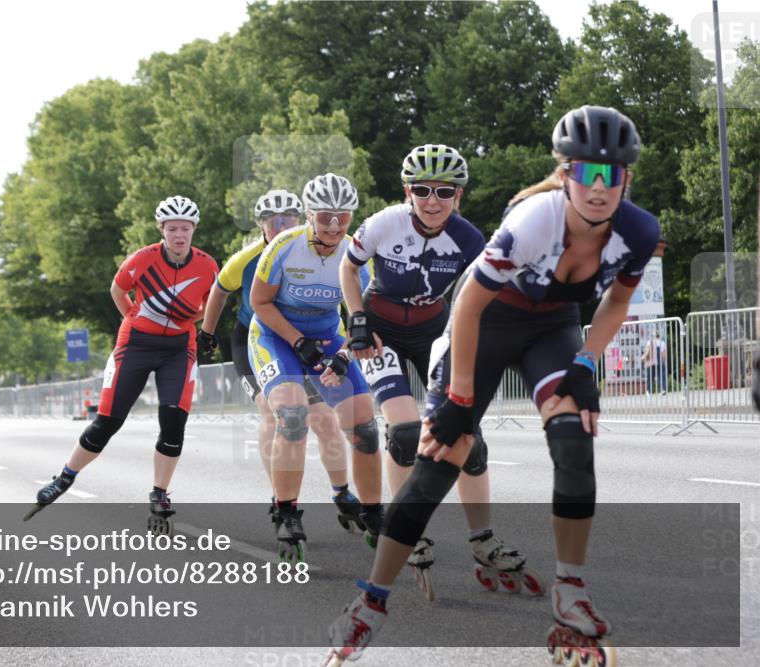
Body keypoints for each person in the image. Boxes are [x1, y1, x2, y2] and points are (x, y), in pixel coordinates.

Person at [324, 106, 658, 664]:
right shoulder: (533, 220)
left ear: (627, 178)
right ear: (564, 174)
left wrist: (587, 363)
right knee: (439, 455)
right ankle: (371, 602)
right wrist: (458, 398)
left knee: (574, 441)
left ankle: (569, 588)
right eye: (585, 174)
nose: (599, 189)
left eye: (613, 175)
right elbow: (472, 302)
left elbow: (617, 299)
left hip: (553, 327)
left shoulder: (639, 230)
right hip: (488, 322)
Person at [339, 144, 539, 601]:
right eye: (423, 190)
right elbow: (348, 271)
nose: (433, 200)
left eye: (444, 191)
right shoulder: (383, 224)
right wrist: (357, 319)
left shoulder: (471, 239)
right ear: (407, 192)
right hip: (381, 332)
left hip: (435, 331)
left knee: (467, 436)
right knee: (407, 433)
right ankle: (404, 527)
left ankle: (482, 539)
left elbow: (485, 293)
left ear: (458, 196)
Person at [24, 195, 218, 535]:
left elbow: (212, 301)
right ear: (161, 229)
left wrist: (193, 318)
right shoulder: (142, 258)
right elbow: (117, 288)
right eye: (172, 228)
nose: (178, 235)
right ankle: (65, 477)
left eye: (185, 229)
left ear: (193, 230)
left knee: (173, 421)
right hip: (136, 344)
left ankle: (159, 493)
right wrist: (132, 314)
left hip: (178, 348)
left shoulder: (206, 265)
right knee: (108, 421)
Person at [198, 190, 364, 532]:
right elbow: (219, 289)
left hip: (308, 338)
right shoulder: (249, 257)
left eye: (287, 219)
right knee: (276, 414)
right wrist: (207, 333)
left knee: (324, 420)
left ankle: (342, 492)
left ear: (301, 219)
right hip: (255, 339)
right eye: (273, 221)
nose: (280, 226)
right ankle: (281, 497)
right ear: (261, 226)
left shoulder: (310, 248)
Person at [248, 173, 383, 562]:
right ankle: (286, 511)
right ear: (308, 214)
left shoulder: (355, 252)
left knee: (364, 425)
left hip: (327, 338)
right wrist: (297, 342)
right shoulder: (285, 246)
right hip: (276, 337)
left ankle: (374, 512)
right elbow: (260, 303)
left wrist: (342, 356)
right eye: (324, 217)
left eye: (343, 216)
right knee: (292, 416)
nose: (334, 226)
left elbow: (363, 315)